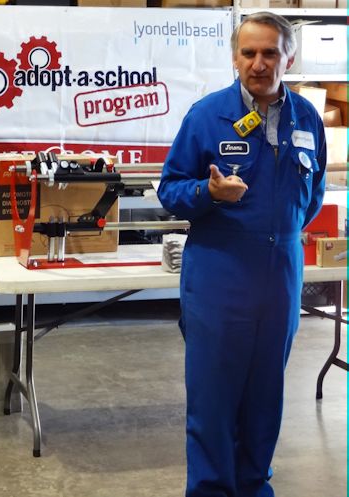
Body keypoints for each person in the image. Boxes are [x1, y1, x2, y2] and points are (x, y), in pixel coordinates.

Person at [157, 11, 326, 497]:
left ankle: (254, 487)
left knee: (264, 399)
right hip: (219, 279)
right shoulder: (206, 116)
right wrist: (211, 195)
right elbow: (171, 190)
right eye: (249, 53)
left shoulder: (308, 118)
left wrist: (280, 234)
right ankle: (210, 491)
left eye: (269, 52)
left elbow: (310, 196)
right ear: (235, 58)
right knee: (213, 401)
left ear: (287, 59)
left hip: (279, 281)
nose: (258, 63)